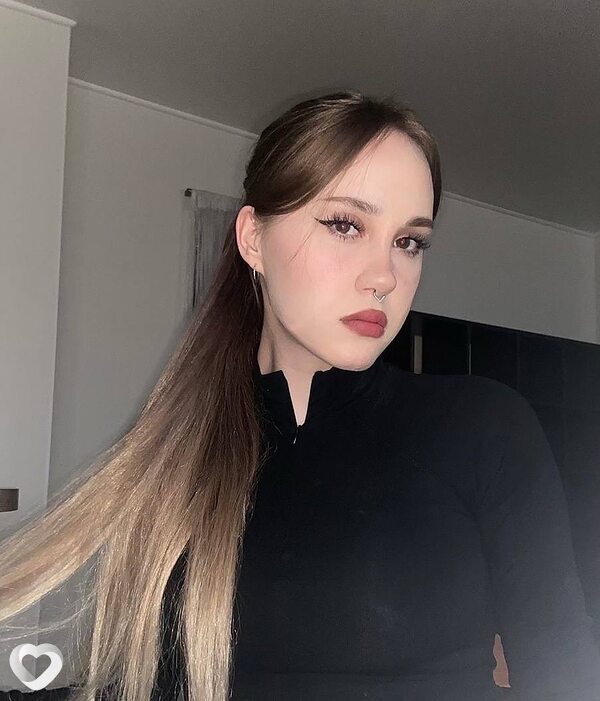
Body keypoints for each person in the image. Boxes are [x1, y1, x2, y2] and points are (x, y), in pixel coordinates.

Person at [1, 90, 599, 701]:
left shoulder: (482, 429)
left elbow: (564, 672)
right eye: (346, 225)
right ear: (253, 239)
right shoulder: (177, 464)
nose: (385, 277)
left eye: (409, 242)